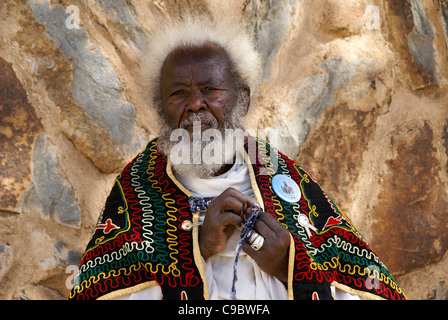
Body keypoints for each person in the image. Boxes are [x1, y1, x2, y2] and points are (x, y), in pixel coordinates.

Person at [68, 15, 406, 300]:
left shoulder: (284, 179)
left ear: (241, 99)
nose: (195, 105)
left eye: (210, 89)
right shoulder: (137, 189)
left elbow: (367, 289)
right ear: (159, 108)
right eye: (177, 93)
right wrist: (195, 250)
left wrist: (291, 265)